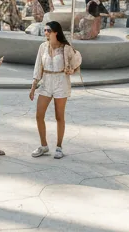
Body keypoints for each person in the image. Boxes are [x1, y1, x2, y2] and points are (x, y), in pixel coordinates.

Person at [30, 21, 81, 159]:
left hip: (61, 82)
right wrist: (33, 86)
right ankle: (44, 145)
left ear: (56, 32)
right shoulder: (42, 47)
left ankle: (59, 147)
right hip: (46, 82)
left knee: (59, 116)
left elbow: (77, 61)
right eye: (45, 30)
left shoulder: (66, 48)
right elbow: (38, 66)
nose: (45, 32)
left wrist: (72, 70)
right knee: (39, 115)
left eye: (48, 30)